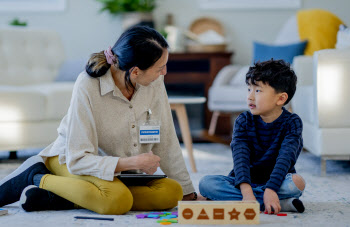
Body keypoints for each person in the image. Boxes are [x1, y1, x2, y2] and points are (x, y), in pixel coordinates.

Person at [0, 26, 197, 214]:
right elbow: (77, 159)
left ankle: (64, 197)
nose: (164, 73)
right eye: (160, 68)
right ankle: (35, 176)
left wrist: (189, 193)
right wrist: (130, 162)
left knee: (172, 192)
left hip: (120, 171)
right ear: (135, 72)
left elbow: (167, 139)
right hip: (71, 161)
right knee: (116, 201)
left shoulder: (154, 83)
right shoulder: (88, 85)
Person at [199, 59, 306, 214]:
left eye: (258, 91)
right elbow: (240, 159)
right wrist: (247, 192)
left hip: (277, 181)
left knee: (297, 182)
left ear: (281, 98)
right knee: (206, 184)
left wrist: (271, 188)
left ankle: (263, 198)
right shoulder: (243, 121)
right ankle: (277, 203)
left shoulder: (292, 122)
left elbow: (286, 158)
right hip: (244, 183)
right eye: (249, 89)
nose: (250, 97)